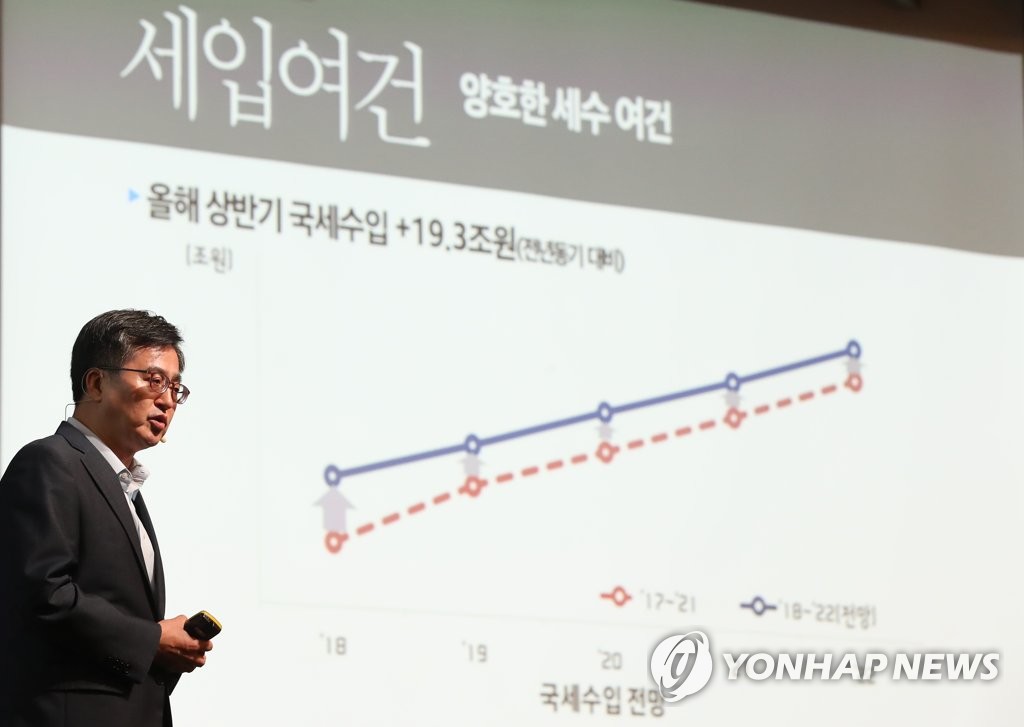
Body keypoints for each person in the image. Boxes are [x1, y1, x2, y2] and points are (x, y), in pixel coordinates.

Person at [0, 310, 213, 727]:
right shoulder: (49, 462)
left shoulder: (124, 487)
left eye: (175, 387)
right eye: (154, 380)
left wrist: (169, 651)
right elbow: (43, 596)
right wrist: (152, 640)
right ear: (96, 383)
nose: (168, 400)